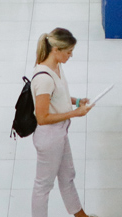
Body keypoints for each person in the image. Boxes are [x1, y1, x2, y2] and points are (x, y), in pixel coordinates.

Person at [30, 28, 95, 217]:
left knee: (67, 176)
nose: (71, 56)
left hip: (59, 133)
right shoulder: (44, 78)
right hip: (49, 137)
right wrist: (75, 113)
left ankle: (81, 215)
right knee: (43, 185)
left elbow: (57, 98)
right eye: (68, 52)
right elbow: (42, 118)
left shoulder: (56, 67)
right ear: (56, 50)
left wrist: (76, 101)